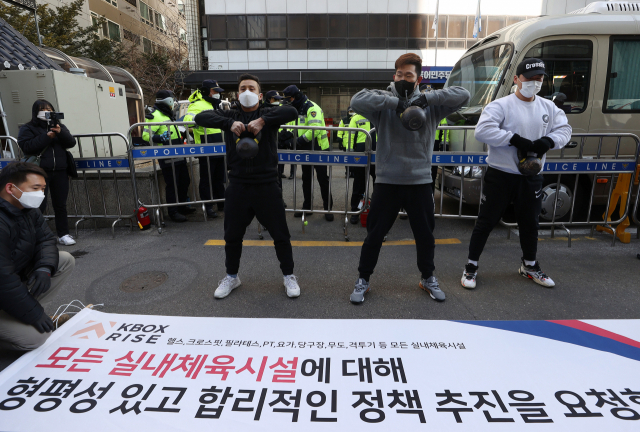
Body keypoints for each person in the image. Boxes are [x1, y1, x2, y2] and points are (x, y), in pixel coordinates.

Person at [348, 53, 470, 304]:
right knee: (374, 235)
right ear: (394, 76)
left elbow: (464, 96)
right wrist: (395, 104)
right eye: (399, 74)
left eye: (409, 75)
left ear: (418, 78)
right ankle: (363, 279)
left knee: (425, 235)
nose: (403, 79)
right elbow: (356, 100)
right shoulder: (384, 102)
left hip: (420, 181)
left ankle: (428, 277)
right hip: (387, 181)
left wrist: (425, 98)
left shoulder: (431, 105)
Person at [461, 58, 572, 290]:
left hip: (531, 177)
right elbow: (482, 131)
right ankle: (471, 267)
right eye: (529, 78)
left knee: (530, 223)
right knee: (486, 222)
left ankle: (529, 266)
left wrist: (548, 141)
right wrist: (513, 139)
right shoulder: (500, 105)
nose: (534, 83)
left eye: (539, 79)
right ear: (516, 79)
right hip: (500, 174)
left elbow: (565, 130)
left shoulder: (548, 107)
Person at [195, 74, 301, 299]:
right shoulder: (230, 115)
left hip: (267, 184)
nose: (247, 91)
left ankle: (288, 276)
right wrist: (228, 123)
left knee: (280, 235)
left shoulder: (268, 113)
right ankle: (232, 276)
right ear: (237, 93)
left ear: (260, 95)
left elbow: (291, 111)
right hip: (238, 185)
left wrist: (262, 121)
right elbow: (200, 117)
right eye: (243, 88)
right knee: (232, 236)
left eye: (251, 88)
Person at [0, 162, 75, 350]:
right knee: (36, 338)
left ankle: (19, 316)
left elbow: (46, 240)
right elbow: (3, 279)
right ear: (10, 188)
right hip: (4, 285)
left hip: (9, 287)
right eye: (35, 188)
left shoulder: (28, 210)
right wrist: (34, 315)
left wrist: (44, 267)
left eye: (42, 189)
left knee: (64, 260)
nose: (40, 195)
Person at [18, 100, 77, 246]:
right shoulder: (27, 128)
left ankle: (63, 234)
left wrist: (59, 132)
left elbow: (71, 142)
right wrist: (47, 137)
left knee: (60, 205)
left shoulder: (59, 126)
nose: (46, 111)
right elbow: (26, 146)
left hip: (60, 171)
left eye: (49, 109)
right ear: (35, 112)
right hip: (38, 173)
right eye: (42, 109)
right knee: (38, 205)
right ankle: (35, 235)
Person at [283, 85, 334, 221]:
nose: (290, 101)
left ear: (297, 96)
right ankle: (307, 207)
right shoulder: (297, 108)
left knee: (322, 179)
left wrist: (297, 141)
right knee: (306, 178)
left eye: (291, 98)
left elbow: (315, 129)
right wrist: (287, 137)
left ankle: (328, 208)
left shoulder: (312, 108)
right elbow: (294, 127)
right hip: (305, 148)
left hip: (318, 148)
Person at [143, 90, 194, 223]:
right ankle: (173, 211)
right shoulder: (154, 116)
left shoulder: (168, 114)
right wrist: (159, 137)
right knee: (172, 185)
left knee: (184, 181)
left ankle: (182, 207)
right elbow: (145, 136)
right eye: (172, 98)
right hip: (167, 156)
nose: (174, 101)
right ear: (167, 100)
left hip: (178, 154)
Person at [183, 80, 226, 219]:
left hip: (218, 146)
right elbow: (187, 120)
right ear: (207, 91)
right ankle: (208, 207)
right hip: (205, 147)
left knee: (219, 178)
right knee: (207, 179)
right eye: (215, 91)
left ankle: (221, 204)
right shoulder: (197, 105)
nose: (217, 94)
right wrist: (200, 119)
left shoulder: (215, 105)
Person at [346, 113, 376, 224]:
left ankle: (377, 210)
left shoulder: (378, 115)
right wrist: (350, 155)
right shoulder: (356, 118)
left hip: (378, 153)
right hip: (361, 155)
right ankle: (355, 210)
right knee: (359, 185)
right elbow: (350, 137)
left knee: (379, 184)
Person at [338, 107, 356, 178]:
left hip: (354, 143)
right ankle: (348, 172)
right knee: (347, 159)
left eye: (353, 111)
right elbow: (340, 131)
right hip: (345, 143)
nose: (351, 112)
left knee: (354, 158)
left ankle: (353, 172)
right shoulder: (344, 120)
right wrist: (339, 141)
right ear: (347, 112)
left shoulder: (356, 119)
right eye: (350, 111)